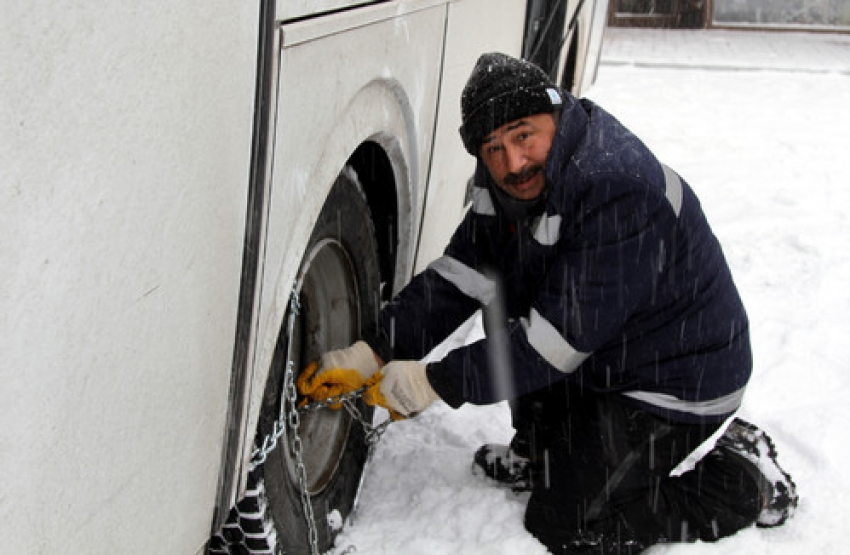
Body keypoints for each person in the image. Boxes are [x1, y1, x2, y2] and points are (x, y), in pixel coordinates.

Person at [298, 52, 798, 553]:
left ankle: (748, 478)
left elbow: (555, 344)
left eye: (523, 135)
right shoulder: (508, 187)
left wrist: (434, 382)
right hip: (610, 354)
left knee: (570, 524)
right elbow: (460, 280)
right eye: (493, 147)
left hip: (676, 379)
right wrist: (374, 350)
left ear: (556, 116)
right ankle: (545, 456)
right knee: (503, 293)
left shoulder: (618, 186)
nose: (512, 162)